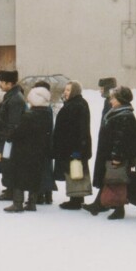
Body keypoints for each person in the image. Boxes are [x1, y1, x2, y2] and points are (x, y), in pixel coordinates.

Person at [84, 86, 136, 220]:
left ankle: (119, 210)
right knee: (109, 179)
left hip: (115, 155)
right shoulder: (117, 111)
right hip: (108, 153)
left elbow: (121, 139)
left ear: (120, 99)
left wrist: (117, 156)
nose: (111, 101)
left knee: (116, 181)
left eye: (113, 98)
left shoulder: (125, 115)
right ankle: (99, 204)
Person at [3, 86, 53, 212]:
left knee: (18, 176)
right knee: (34, 176)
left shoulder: (29, 115)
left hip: (23, 151)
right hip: (39, 151)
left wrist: (10, 136)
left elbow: (19, 132)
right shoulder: (47, 114)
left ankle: (17, 203)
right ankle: (32, 203)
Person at [52, 81, 93, 210]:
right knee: (75, 171)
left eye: (68, 90)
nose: (65, 92)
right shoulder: (74, 104)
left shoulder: (77, 105)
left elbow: (80, 129)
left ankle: (75, 200)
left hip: (74, 146)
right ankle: (77, 198)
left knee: (75, 171)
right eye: (65, 89)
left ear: (75, 91)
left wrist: (78, 148)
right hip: (71, 145)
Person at [0, 70, 25, 201]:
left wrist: (7, 137)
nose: (0, 84)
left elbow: (13, 123)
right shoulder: (11, 96)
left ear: (9, 83)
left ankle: (11, 190)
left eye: (2, 82)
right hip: (7, 137)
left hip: (9, 139)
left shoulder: (15, 99)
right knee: (6, 164)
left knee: (9, 164)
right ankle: (9, 188)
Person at [32, 80, 58, 204]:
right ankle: (48, 195)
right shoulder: (48, 107)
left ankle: (40, 195)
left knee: (40, 170)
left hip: (40, 144)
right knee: (47, 169)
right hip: (48, 143)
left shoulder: (41, 108)